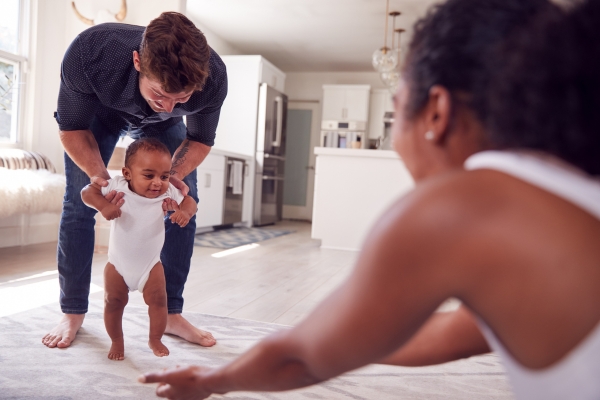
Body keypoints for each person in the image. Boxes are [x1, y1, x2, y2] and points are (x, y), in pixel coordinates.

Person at [140, 0, 600, 398]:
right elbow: (462, 330)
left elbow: (298, 359)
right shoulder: (568, 194)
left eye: (398, 107)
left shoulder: (462, 208)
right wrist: (351, 336)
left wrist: (211, 380)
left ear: (436, 112)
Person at [42, 12, 227, 349]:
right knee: (78, 202)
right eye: (161, 94)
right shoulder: (91, 52)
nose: (169, 105)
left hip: (161, 131)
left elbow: (199, 140)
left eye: (181, 98)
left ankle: (170, 313)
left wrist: (173, 179)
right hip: (98, 113)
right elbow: (71, 129)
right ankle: (73, 311)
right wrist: (99, 177)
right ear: (138, 61)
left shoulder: (212, 80)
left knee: (185, 198)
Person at [81, 138, 197, 360]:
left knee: (159, 300)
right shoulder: (117, 186)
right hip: (118, 264)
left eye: (164, 176)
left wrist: (185, 212)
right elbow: (87, 192)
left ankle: (155, 338)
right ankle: (117, 340)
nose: (157, 183)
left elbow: (190, 201)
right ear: (127, 173)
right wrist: (104, 206)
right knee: (113, 302)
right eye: (149, 175)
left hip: (150, 265)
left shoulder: (168, 192)